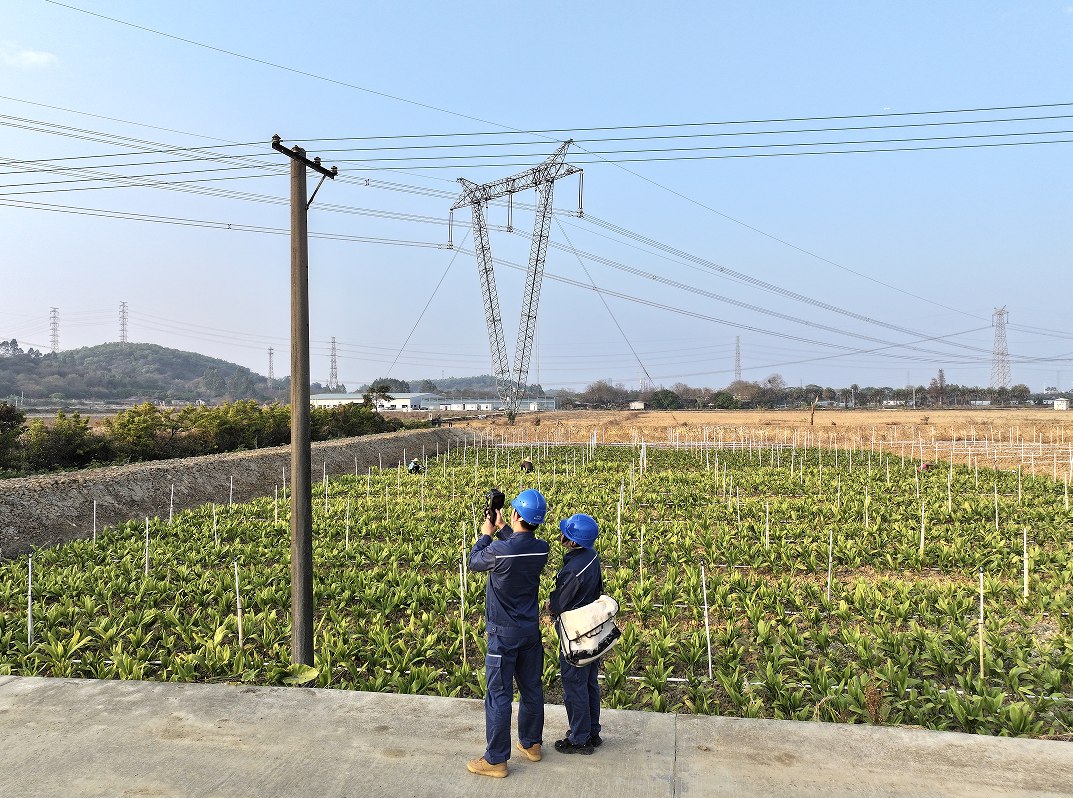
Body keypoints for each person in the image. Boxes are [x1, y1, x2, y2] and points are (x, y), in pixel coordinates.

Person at [466, 488, 550, 778]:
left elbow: (475, 561)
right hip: (530, 632)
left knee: (499, 695)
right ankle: (532, 744)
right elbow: (516, 548)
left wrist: (486, 533)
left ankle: (496, 760)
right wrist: (503, 528)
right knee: (531, 688)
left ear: (515, 514)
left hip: (503, 635)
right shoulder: (542, 549)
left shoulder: (500, 550)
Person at [549, 514, 604, 755]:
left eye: (565, 533)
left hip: (575, 634)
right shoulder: (592, 557)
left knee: (574, 685)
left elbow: (558, 604)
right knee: (590, 682)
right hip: (593, 632)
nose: (561, 535)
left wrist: (549, 605)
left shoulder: (572, 570)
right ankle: (592, 731)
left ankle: (579, 737)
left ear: (571, 541)